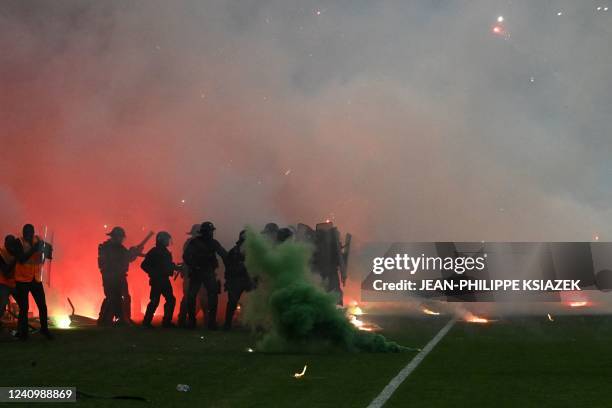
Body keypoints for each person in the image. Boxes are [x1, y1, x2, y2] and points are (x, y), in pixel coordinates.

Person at [183, 222, 227, 329]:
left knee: (208, 296)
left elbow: (224, 254)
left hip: (205, 272)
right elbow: (186, 256)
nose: (211, 233)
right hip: (200, 273)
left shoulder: (206, 242)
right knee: (193, 297)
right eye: (210, 231)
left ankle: (208, 322)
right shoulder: (195, 243)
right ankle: (195, 321)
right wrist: (194, 266)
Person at [14, 224, 53, 340]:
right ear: (23, 232)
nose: (29, 235)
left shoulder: (38, 240)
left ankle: (44, 330)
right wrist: (33, 249)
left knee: (42, 306)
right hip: (22, 280)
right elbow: (21, 259)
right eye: (26, 233)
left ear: (33, 232)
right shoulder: (18, 242)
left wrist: (48, 250)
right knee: (24, 307)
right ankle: (23, 333)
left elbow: (45, 251)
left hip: (35, 278)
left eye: (30, 233)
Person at [97, 227, 143, 326]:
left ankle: (124, 318)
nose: (121, 239)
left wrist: (134, 253)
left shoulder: (119, 248)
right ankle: (104, 319)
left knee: (125, 297)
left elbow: (128, 258)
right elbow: (119, 258)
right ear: (115, 237)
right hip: (110, 277)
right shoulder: (106, 247)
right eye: (120, 237)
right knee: (112, 297)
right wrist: (131, 253)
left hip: (120, 276)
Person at [141, 232, 179, 328]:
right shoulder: (154, 251)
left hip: (163, 279)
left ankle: (163, 322)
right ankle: (148, 323)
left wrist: (175, 267)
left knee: (169, 300)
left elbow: (167, 265)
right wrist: (153, 273)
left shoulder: (163, 252)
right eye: (166, 240)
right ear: (161, 240)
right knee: (156, 300)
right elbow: (144, 265)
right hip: (158, 280)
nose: (168, 242)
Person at [177, 224, 207, 327]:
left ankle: (205, 320)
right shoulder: (190, 243)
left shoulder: (202, 243)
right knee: (189, 297)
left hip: (199, 273)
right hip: (190, 274)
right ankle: (183, 319)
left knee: (202, 297)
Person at [223, 230, 252, 330]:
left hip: (246, 279)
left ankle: (247, 323)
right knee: (232, 303)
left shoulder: (251, 251)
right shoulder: (234, 251)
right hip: (237, 280)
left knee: (249, 302)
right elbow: (228, 267)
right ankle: (228, 324)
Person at [0, 235, 18, 327]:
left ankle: (22, 327)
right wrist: (15, 259)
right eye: (9, 244)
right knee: (2, 305)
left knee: (23, 304)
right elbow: (6, 272)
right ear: (5, 244)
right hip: (3, 283)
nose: (11, 246)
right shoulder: (1, 253)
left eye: (12, 244)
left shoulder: (16, 252)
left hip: (14, 283)